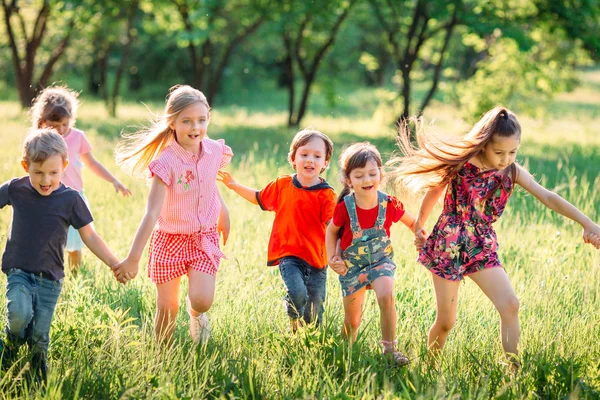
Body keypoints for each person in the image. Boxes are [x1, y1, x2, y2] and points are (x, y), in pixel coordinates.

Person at [389, 107, 600, 367]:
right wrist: (420, 224)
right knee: (446, 322)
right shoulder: (461, 164)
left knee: (510, 304)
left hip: (481, 244)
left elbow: (548, 196)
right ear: (485, 145)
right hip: (449, 242)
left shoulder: (512, 171)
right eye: (499, 152)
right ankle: (428, 368)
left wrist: (588, 223)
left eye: (513, 152)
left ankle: (513, 371)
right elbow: (434, 192)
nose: (506, 159)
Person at [113, 85, 232, 346]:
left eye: (201, 120)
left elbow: (210, 183)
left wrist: (223, 212)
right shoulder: (166, 163)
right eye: (187, 121)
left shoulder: (212, 150)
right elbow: (151, 212)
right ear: (173, 123)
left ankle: (196, 314)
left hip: (203, 238)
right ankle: (162, 358)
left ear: (208, 119)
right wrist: (133, 259)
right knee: (168, 308)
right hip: (169, 240)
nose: (195, 127)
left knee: (202, 300)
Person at [0, 129, 120, 382]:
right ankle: (10, 346)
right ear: (26, 166)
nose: (46, 180)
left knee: (39, 334)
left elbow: (90, 236)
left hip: (50, 278)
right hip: (19, 271)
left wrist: (114, 263)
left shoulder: (71, 199)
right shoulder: (16, 189)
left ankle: (38, 379)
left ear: (65, 166)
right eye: (38, 172)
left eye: (53, 173)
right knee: (19, 316)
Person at [218, 129, 336, 332]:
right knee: (297, 292)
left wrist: (342, 252)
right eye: (304, 154)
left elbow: (334, 227)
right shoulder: (282, 185)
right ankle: (293, 324)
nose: (310, 160)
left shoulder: (326, 194)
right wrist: (234, 185)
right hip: (289, 254)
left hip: (318, 260)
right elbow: (258, 197)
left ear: (325, 162)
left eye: (317, 156)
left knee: (314, 315)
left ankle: (312, 343)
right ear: (293, 158)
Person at [325, 142, 417, 366]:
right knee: (352, 321)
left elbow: (412, 222)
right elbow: (332, 231)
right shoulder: (345, 207)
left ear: (380, 175)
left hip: (380, 262)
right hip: (351, 266)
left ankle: (390, 350)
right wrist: (332, 259)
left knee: (386, 295)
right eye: (359, 176)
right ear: (349, 180)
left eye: (372, 174)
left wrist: (423, 237)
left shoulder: (389, 204)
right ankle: (346, 355)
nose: (366, 180)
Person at [31, 85, 132, 272]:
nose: (61, 130)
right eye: (55, 125)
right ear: (44, 121)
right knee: (48, 243)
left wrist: (114, 180)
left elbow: (92, 163)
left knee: (75, 243)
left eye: (65, 124)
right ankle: (48, 275)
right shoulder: (40, 140)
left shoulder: (77, 137)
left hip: (74, 198)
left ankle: (75, 277)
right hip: (47, 197)